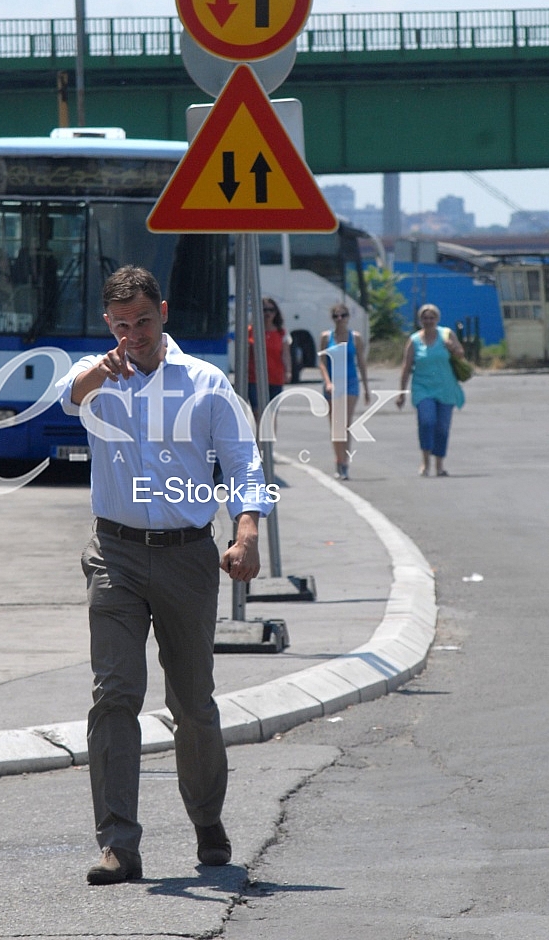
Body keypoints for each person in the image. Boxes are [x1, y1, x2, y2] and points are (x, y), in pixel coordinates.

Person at [57, 265, 273, 885]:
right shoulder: (97, 377)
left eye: (144, 322)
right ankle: (118, 844)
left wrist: (247, 531)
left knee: (192, 702)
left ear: (165, 313)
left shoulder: (205, 382)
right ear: (108, 324)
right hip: (115, 554)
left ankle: (207, 822)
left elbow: (242, 461)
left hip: (186, 556)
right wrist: (102, 368)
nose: (135, 336)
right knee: (115, 694)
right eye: (122, 326)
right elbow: (68, 395)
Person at [395, 303, 465, 476]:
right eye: (425, 318)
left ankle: (439, 464)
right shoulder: (414, 340)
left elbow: (461, 355)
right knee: (427, 422)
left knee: (442, 427)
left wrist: (452, 348)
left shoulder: (447, 335)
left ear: (437, 319)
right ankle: (425, 462)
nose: (428, 321)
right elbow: (406, 366)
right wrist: (401, 393)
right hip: (423, 389)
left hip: (445, 388)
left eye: (431, 318)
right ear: (420, 320)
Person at [318, 303, 370, 480]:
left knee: (344, 424)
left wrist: (367, 388)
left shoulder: (355, 338)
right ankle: (338, 459)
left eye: (343, 315)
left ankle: (345, 463)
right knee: (335, 426)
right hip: (333, 383)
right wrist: (328, 382)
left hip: (350, 383)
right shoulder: (326, 337)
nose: (340, 319)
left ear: (348, 317)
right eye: (336, 316)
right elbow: (322, 362)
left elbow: (361, 363)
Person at [247, 297, 292, 423]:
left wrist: (288, 371)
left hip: (275, 377)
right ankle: (259, 442)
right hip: (254, 377)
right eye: (264, 310)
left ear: (276, 312)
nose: (268, 313)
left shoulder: (281, 332)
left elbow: (285, 354)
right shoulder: (251, 331)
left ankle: (269, 442)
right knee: (257, 412)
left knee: (271, 414)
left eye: (271, 310)